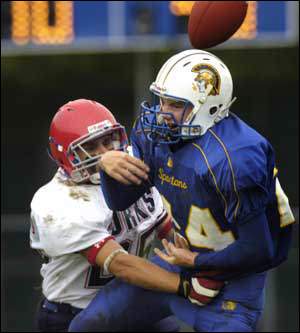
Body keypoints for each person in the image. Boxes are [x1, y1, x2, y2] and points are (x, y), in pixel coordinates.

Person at [69, 50, 295, 332]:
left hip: (234, 283)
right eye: (161, 100)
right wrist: (108, 166)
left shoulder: (235, 156)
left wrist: (198, 261)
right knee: (88, 326)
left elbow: (259, 250)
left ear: (209, 106)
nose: (162, 113)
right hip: (177, 264)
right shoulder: (157, 136)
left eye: (175, 105)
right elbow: (120, 200)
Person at [30, 98, 223, 332]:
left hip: (129, 301)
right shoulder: (56, 203)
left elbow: (166, 228)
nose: (106, 153)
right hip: (74, 313)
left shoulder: (135, 163)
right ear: (66, 156)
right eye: (90, 147)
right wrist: (184, 285)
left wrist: (202, 260)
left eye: (107, 141)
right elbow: (121, 264)